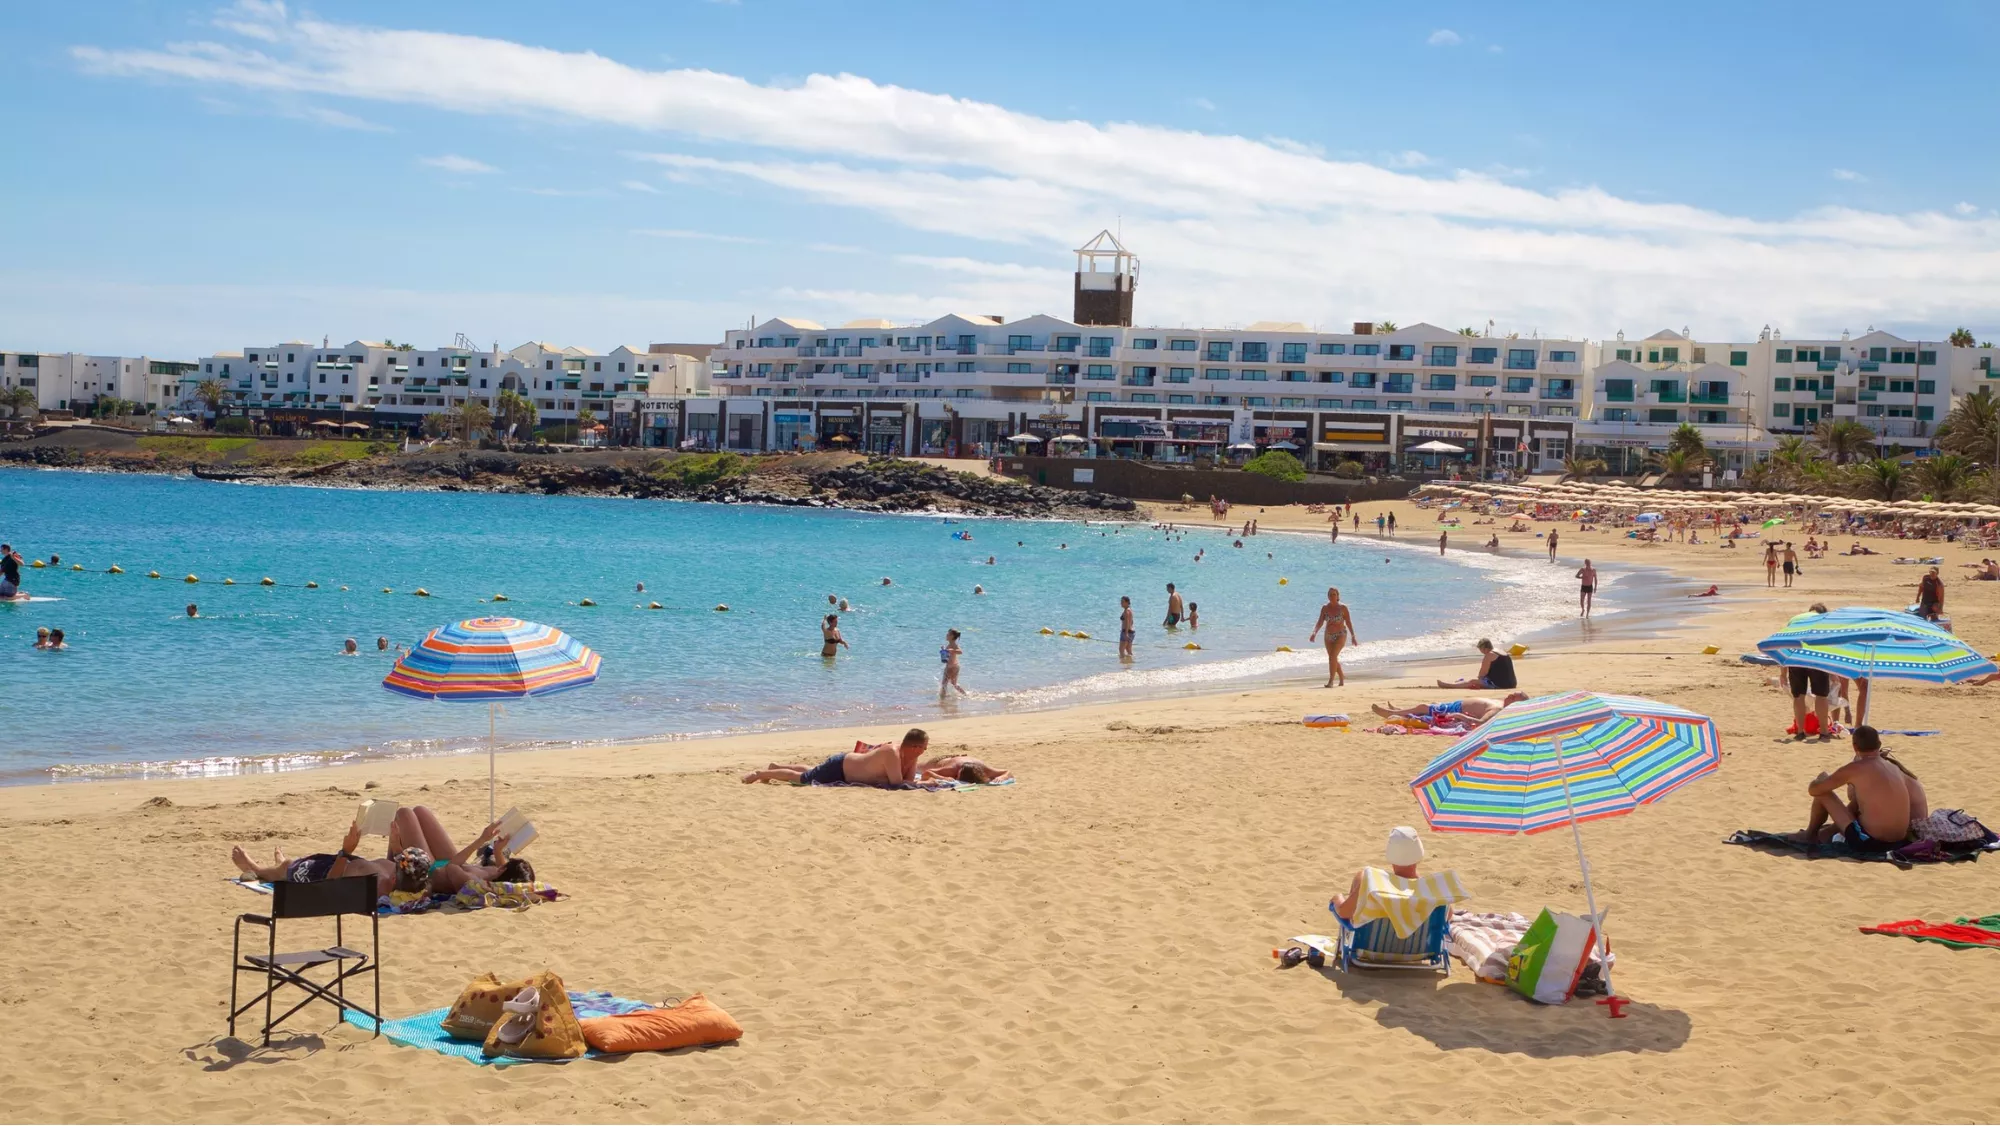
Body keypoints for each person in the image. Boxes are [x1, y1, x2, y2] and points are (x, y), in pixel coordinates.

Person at [1794, 726, 1920, 848]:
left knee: (1822, 790)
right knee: (1860, 803)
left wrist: (1818, 781)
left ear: (1855, 746)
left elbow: (1814, 791)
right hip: (1899, 840)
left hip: (1870, 842)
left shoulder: (1855, 768)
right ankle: (1821, 834)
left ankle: (1810, 834)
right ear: (1879, 744)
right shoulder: (1894, 768)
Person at [229, 819, 402, 897]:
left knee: (288, 868)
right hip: (341, 862)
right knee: (292, 863)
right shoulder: (401, 874)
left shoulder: (378, 887)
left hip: (324, 874)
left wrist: (345, 851)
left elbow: (331, 885)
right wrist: (396, 847)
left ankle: (255, 869)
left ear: (395, 879)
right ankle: (278, 865)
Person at [742, 728, 930, 786]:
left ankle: (776, 766)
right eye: (923, 748)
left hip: (845, 770)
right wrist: (927, 784)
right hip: (840, 767)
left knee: (812, 771)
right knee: (802, 779)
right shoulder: (892, 752)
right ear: (914, 747)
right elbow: (898, 783)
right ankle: (761, 774)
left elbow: (909, 780)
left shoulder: (909, 756)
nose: (925, 751)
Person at [1330, 827, 1425, 921]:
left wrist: (1337, 899)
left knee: (1361, 876)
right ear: (1419, 853)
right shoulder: (1430, 892)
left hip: (1370, 936)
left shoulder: (1371, 883)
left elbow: (1344, 913)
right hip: (1419, 936)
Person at [1371, 693, 1527, 725]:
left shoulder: (1497, 710)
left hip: (1456, 708)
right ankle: (1400, 709)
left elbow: (1480, 722)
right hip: (1456, 704)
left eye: (1514, 697)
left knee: (1425, 707)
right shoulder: (1499, 703)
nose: (1511, 695)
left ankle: (1392, 713)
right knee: (1429, 705)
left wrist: (1460, 715)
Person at [1308, 587, 1358, 688]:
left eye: (1334, 594)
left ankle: (1331, 681)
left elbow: (1348, 622)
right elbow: (1320, 621)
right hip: (1328, 636)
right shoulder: (1325, 608)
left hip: (1341, 634)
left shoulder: (1343, 608)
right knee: (1332, 658)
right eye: (1330, 595)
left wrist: (1353, 636)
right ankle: (1341, 677)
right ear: (1328, 596)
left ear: (1338, 596)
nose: (1332, 596)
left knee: (1332, 657)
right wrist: (1314, 632)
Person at [1436, 638, 1516, 690]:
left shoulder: (1489, 655)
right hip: (1512, 683)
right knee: (1479, 682)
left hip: (1500, 685)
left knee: (1472, 681)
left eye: (1480, 649)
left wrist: (1479, 680)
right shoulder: (1501, 651)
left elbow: (1482, 673)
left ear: (1484, 648)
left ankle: (1449, 685)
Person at [1784, 658, 1832, 741]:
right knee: (1821, 695)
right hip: (1816, 656)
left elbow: (1785, 647)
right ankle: (1824, 732)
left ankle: (1800, 732)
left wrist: (1783, 673)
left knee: (1798, 696)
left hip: (1796, 658)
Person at [916, 754, 1011, 784]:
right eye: (957, 776)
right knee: (915, 767)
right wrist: (942, 778)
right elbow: (926, 773)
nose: (956, 778)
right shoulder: (951, 769)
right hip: (938, 762)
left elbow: (1007, 771)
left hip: (959, 757)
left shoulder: (983, 768)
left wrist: (1003, 777)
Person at [939, 628, 966, 697]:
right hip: (953, 666)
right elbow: (948, 655)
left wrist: (953, 650)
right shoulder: (949, 644)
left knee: (944, 683)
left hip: (952, 667)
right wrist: (943, 650)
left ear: (952, 636)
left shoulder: (953, 644)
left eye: (948, 634)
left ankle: (942, 699)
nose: (946, 635)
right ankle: (965, 694)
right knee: (954, 683)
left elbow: (960, 652)